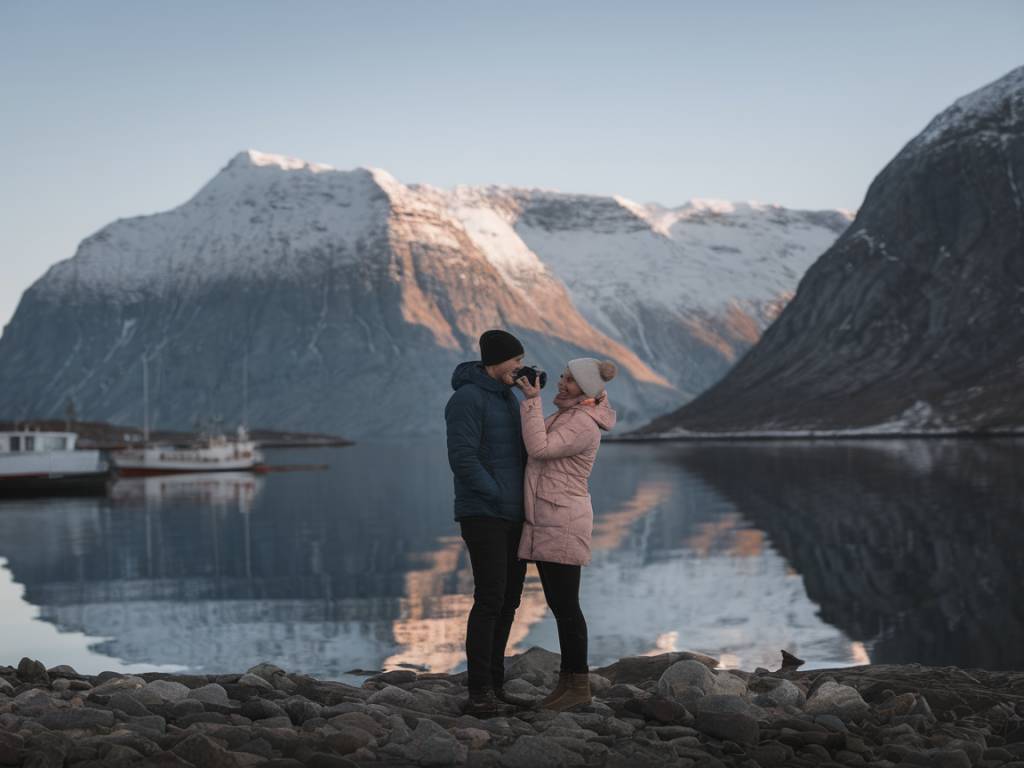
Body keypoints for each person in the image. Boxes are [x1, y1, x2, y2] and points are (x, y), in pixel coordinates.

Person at [514, 357, 617, 712]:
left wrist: (530, 401)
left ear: (587, 390)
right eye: (563, 376)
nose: (561, 383)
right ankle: (567, 685)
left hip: (562, 521)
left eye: (571, 381)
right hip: (554, 517)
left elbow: (539, 449)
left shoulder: (582, 424)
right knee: (562, 606)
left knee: (567, 607)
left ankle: (578, 686)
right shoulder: (570, 415)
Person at [445, 329, 534, 717]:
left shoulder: (509, 397)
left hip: (514, 514)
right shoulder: (466, 399)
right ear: (497, 361)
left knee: (510, 601)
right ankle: (478, 691)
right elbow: (462, 458)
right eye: (515, 360)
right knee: (490, 599)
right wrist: (497, 493)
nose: (520, 367)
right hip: (483, 513)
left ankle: (496, 686)